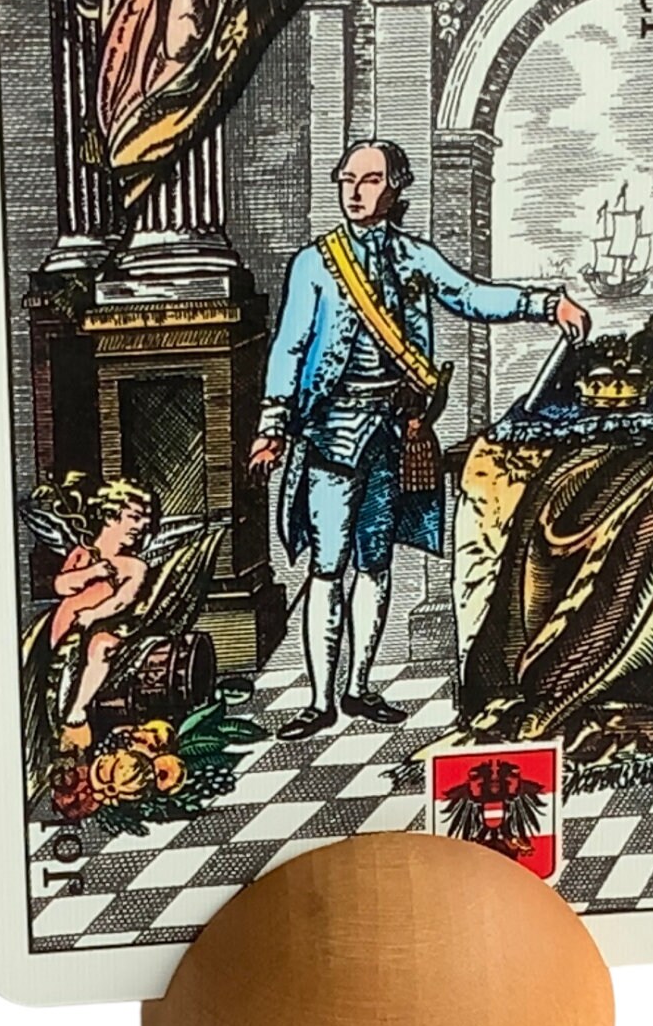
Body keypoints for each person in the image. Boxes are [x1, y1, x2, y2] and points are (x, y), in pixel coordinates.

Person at [248, 139, 589, 739]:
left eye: (370, 180)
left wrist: (546, 304)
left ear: (395, 187)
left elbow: (471, 296)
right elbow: (290, 347)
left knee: (375, 564)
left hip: (394, 432)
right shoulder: (315, 264)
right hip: (331, 434)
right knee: (327, 567)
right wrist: (272, 424)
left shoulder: (413, 257)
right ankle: (320, 700)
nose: (355, 192)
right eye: (347, 179)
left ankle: (358, 688)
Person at [48, 479, 156, 755]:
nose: (142, 525)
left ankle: (77, 712)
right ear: (110, 516)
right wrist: (91, 573)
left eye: (146, 519)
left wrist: (94, 614)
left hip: (102, 627)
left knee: (102, 648)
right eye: (135, 516)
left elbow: (122, 600)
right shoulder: (83, 554)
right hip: (66, 627)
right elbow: (61, 585)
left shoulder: (134, 566)